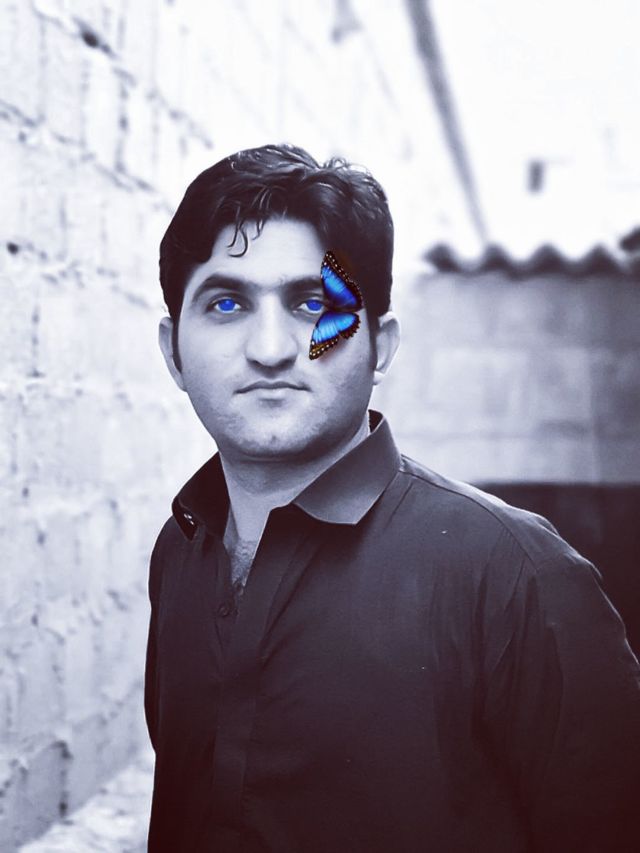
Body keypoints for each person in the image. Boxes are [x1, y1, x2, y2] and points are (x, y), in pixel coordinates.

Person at [145, 144, 640, 852]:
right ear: (173, 352)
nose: (270, 347)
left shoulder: (517, 576)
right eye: (227, 303)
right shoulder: (182, 548)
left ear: (379, 345)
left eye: (314, 303)